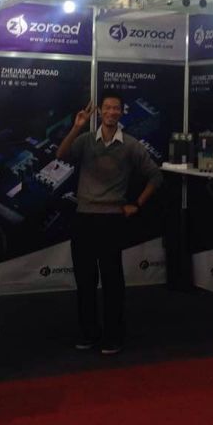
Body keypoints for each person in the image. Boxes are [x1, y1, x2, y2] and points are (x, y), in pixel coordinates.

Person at [57, 90, 163, 355]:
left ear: (121, 112)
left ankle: (113, 336)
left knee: (112, 281)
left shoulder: (130, 144)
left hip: (112, 220)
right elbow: (61, 155)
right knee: (85, 280)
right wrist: (77, 127)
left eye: (116, 108)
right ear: (100, 111)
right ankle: (89, 333)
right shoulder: (86, 140)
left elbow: (155, 176)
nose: (112, 112)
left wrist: (136, 204)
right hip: (84, 217)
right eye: (107, 107)